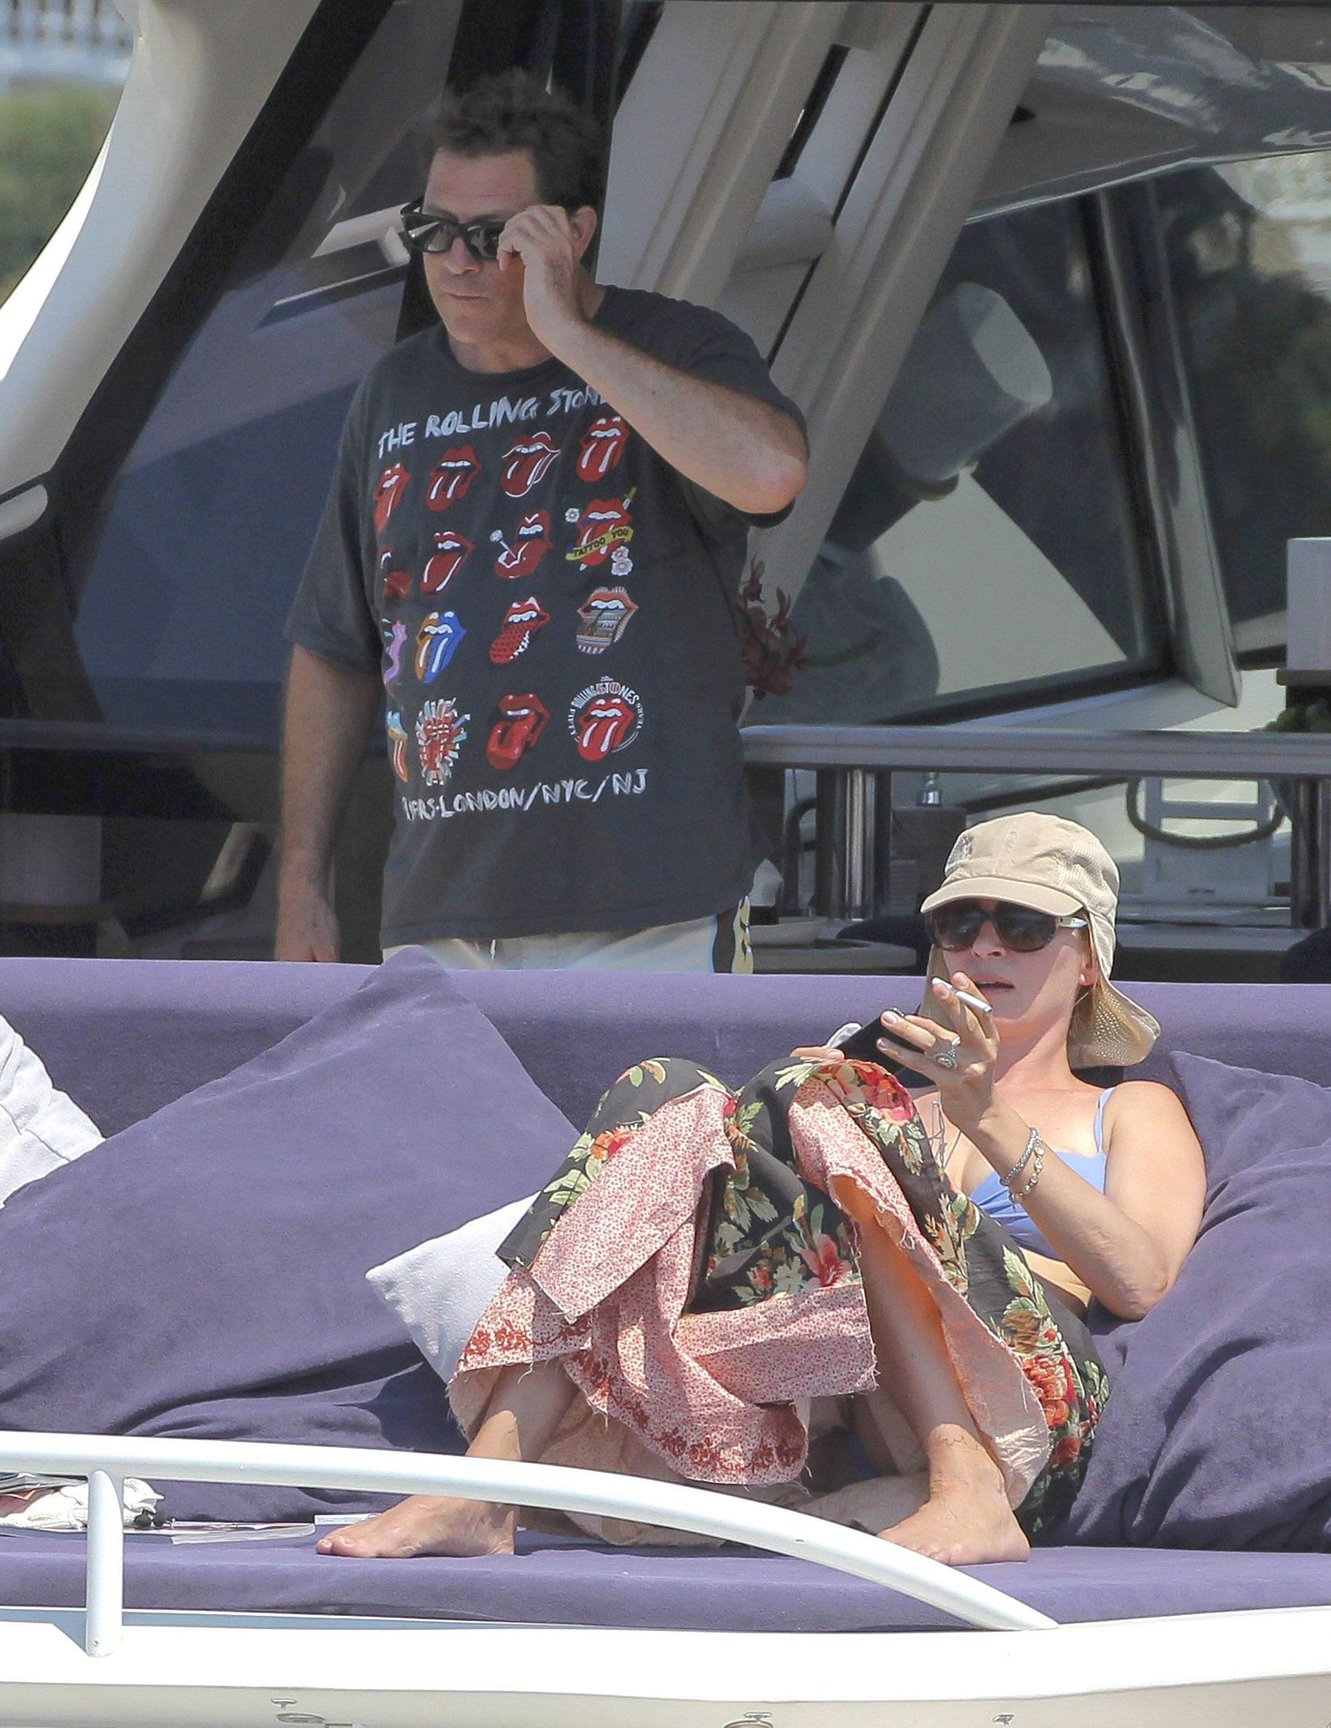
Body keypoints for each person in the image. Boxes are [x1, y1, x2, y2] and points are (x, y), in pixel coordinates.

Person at [318, 813, 1206, 1566]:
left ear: (1086, 958)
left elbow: (1140, 1281)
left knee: (814, 1104)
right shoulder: (881, 1098)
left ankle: (966, 1483)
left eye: (1020, 926)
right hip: (848, 1404)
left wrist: (984, 1122)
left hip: (1031, 1408)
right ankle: (491, 1483)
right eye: (960, 922)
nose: (982, 946)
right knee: (662, 1095)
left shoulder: (1128, 1106)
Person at [278, 71, 807, 972]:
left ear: (573, 232)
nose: (455, 261)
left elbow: (769, 473)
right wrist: (300, 885)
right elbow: (336, 646)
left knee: (654, 1123)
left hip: (649, 913)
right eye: (432, 231)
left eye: (492, 237)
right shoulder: (394, 391)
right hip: (438, 920)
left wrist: (563, 332)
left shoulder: (676, 346)